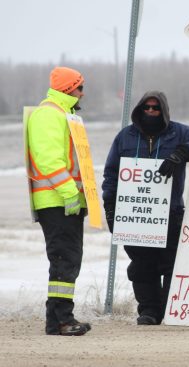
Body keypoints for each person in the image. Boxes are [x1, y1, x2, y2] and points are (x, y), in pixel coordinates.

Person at [102, 91, 189, 325]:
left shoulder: (179, 132)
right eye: (147, 108)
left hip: (170, 212)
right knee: (142, 265)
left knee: (172, 263)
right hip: (134, 214)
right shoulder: (125, 137)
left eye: (156, 108)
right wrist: (110, 208)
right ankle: (149, 311)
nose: (151, 112)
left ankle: (172, 309)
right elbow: (111, 174)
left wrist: (181, 153)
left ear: (163, 110)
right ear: (140, 110)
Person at [26, 66, 91, 336]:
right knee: (65, 259)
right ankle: (63, 321)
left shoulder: (65, 115)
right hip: (58, 201)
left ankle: (57, 321)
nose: (83, 93)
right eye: (80, 88)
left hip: (65, 201)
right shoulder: (49, 115)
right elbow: (49, 161)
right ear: (69, 89)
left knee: (67, 259)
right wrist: (69, 194)